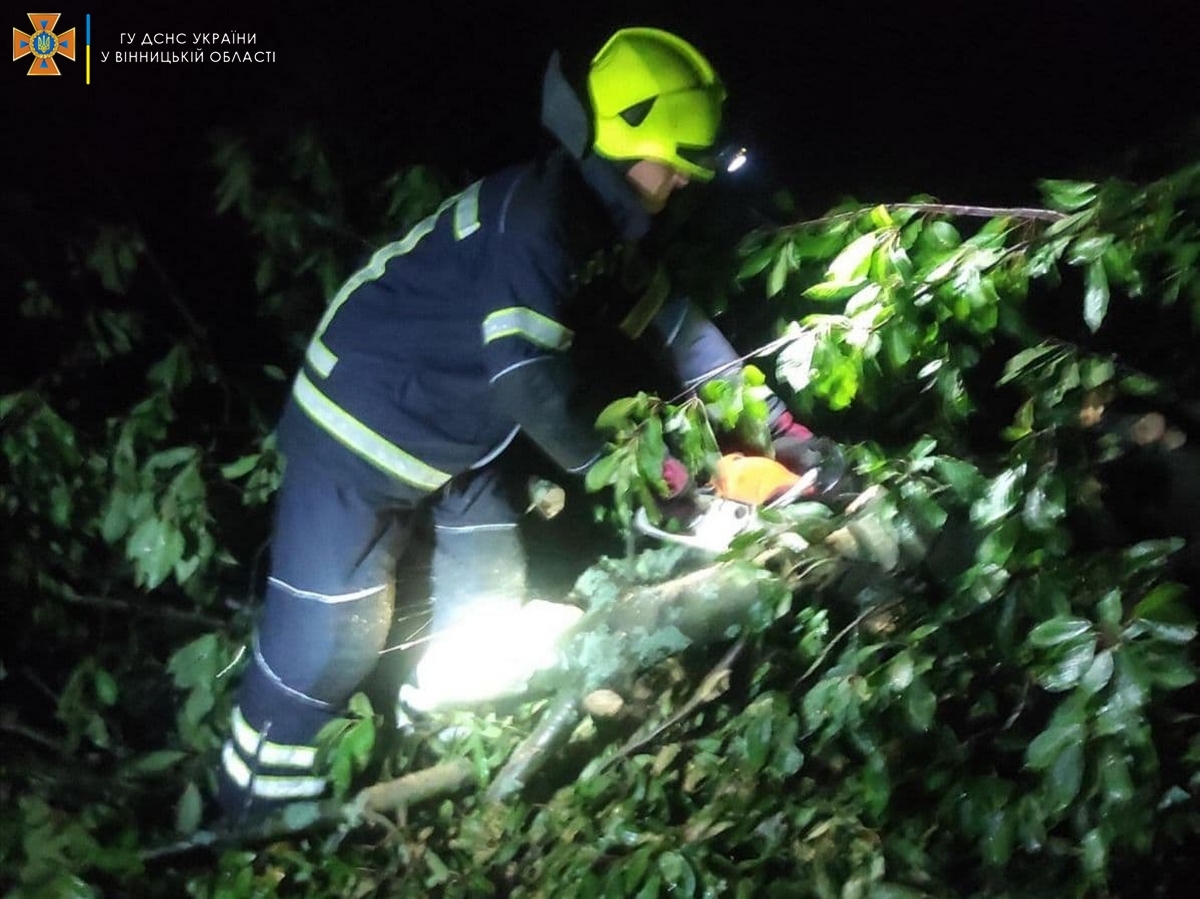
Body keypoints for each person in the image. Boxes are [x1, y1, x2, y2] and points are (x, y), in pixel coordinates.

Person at [216, 26, 824, 822]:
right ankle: (252, 824)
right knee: (328, 645)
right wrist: (672, 486)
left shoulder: (597, 229)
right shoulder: (537, 220)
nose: (681, 181)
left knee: (488, 613)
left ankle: (438, 767)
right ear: (620, 143)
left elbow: (684, 336)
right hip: (360, 428)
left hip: (465, 442)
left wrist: (789, 432)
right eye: (674, 161)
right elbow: (534, 388)